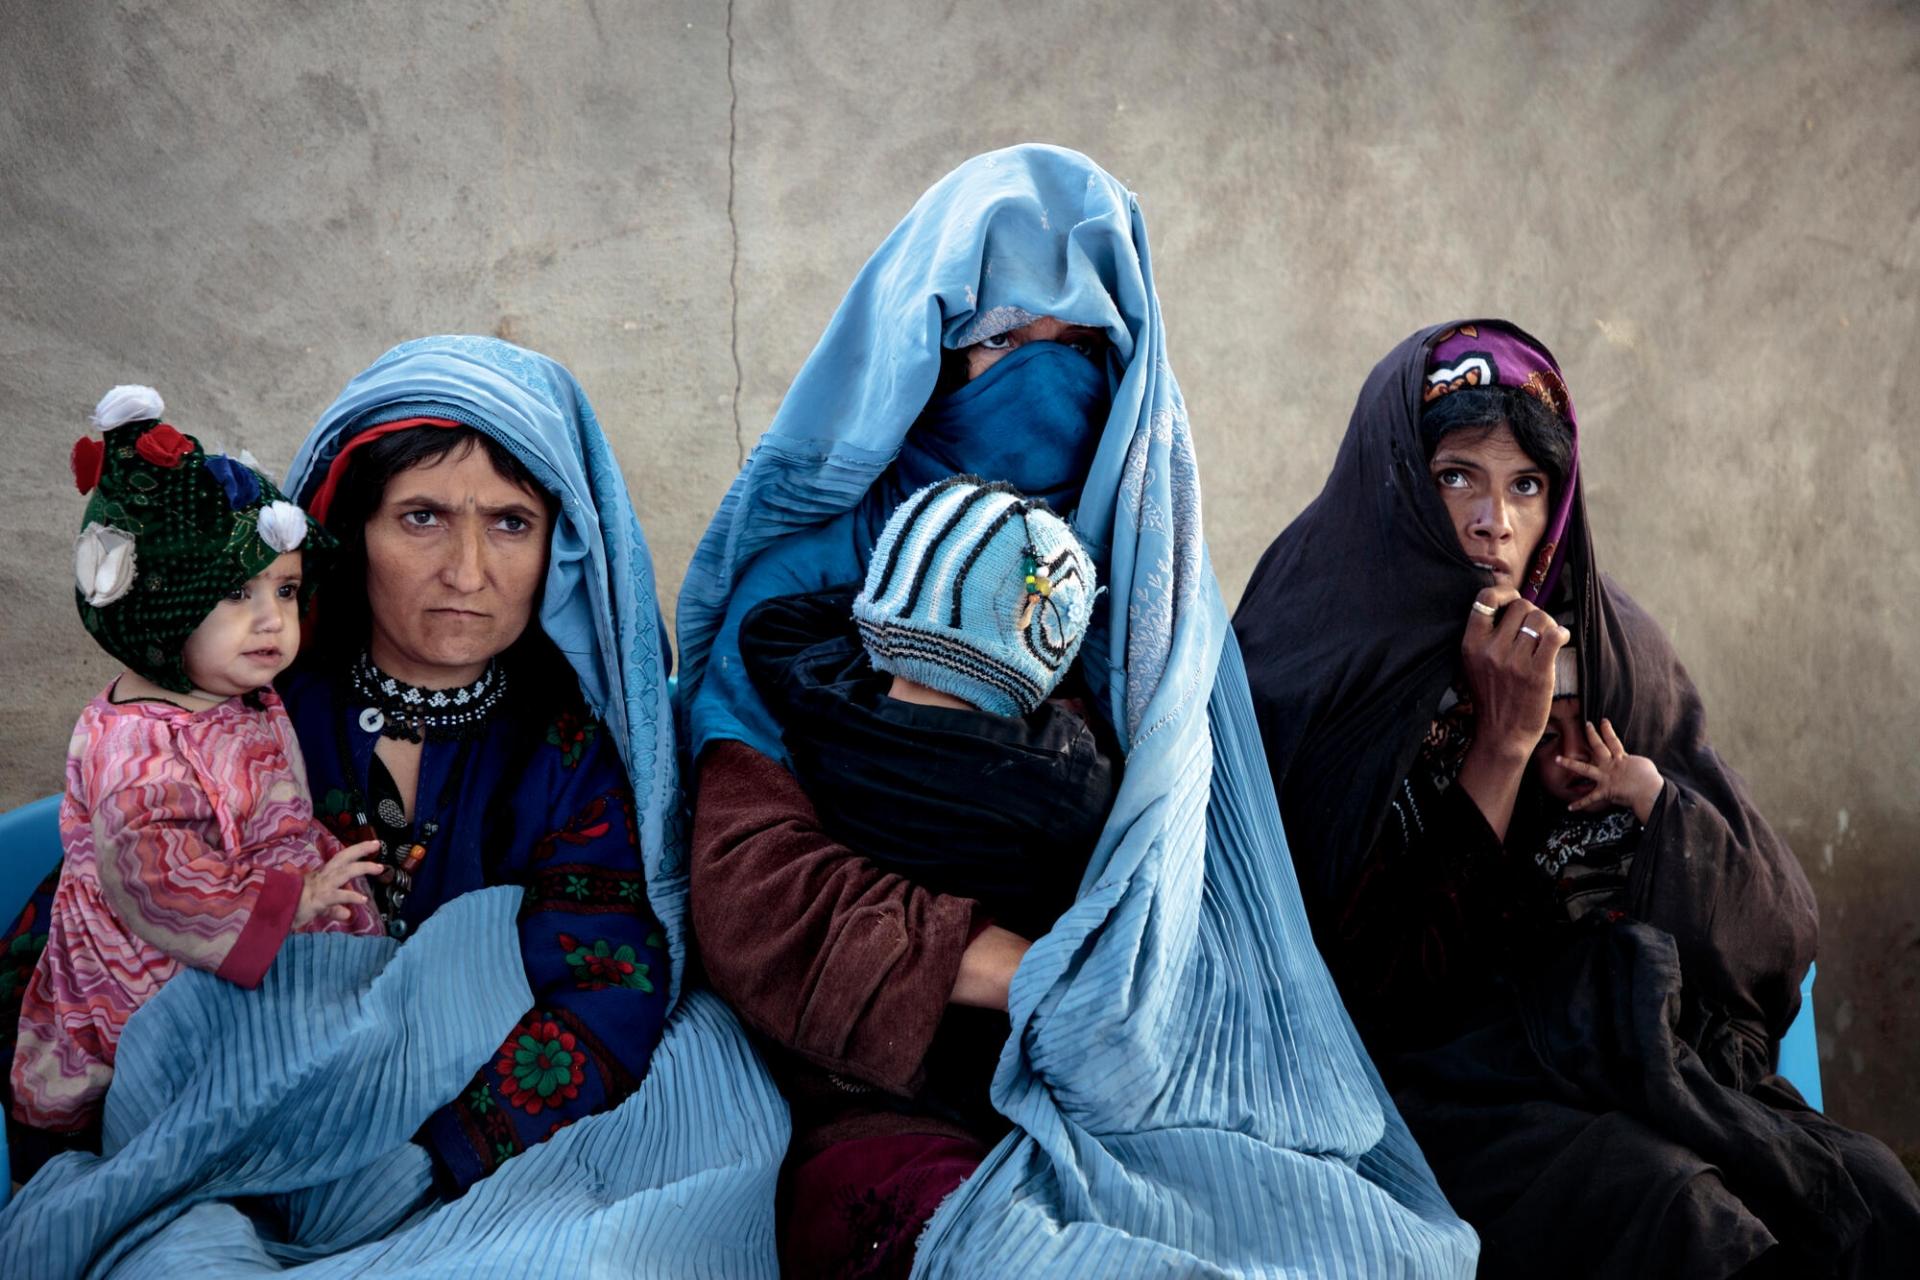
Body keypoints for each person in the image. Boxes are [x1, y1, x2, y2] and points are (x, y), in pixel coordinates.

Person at [680, 146, 1477, 1277]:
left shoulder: (1151, 601)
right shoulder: (811, 585)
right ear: (922, 357)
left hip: (1135, 1073)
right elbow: (748, 882)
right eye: (1003, 343)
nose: (1042, 384)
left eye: (1084, 349)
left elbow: (1205, 894)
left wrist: (1121, 1012)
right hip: (865, 1089)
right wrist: (1010, 967)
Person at [1234, 320, 1920, 1277]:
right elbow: (1361, 989)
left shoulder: (1600, 641)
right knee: (1673, 1212)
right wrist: (1501, 749)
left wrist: (1643, 807)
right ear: (1398, 477)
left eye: (1526, 484)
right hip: (1408, 1087)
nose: (1494, 522)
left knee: (1867, 1195)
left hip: (1603, 1041)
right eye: (1456, 476)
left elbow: (1776, 928)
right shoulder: (1314, 650)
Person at [277, 349, 677, 1192]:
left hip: (471, 1157)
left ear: (558, 552)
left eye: (510, 523)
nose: (468, 572)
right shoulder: (259, 719)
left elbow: (609, 987)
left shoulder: (567, 756)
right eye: (421, 518)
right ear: (352, 536)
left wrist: (435, 1158)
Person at [10, 385, 381, 1154]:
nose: (274, 619)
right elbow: (161, 887)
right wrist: (296, 899)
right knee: (196, 1084)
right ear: (159, 609)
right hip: (162, 953)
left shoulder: (226, 688)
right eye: (236, 594)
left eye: (284, 588)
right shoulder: (137, 754)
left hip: (248, 903)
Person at [734, 477, 1114, 1178]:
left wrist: (892, 618)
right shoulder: (1060, 777)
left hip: (844, 1051)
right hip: (972, 1065)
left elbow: (769, 629)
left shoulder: (821, 709)